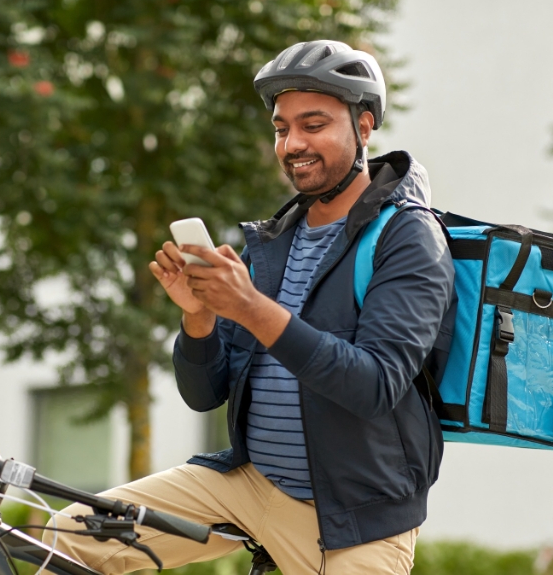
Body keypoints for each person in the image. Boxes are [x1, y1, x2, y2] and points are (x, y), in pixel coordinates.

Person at [46, 40, 456, 574]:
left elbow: (374, 384)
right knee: (68, 536)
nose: (293, 144)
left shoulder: (408, 236)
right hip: (246, 482)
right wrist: (200, 321)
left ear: (364, 126)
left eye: (314, 125)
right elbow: (204, 395)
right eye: (283, 128)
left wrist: (251, 307)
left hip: (354, 517)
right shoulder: (274, 240)